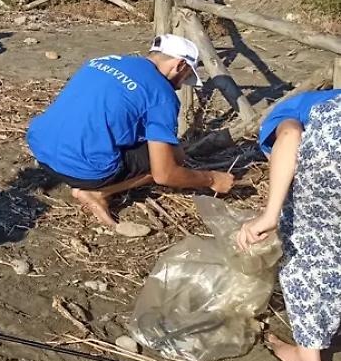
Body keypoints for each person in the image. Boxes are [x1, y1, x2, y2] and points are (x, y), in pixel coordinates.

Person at [26, 34, 233, 229]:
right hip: (83, 170)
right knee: (174, 158)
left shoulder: (105, 60)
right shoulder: (162, 94)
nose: (180, 87)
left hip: (40, 147)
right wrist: (211, 179)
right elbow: (165, 174)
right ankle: (98, 192)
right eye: (185, 76)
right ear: (179, 65)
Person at [236, 89, 341, 361]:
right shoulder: (328, 99)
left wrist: (270, 215)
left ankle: (308, 358)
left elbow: (289, 138)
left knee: (311, 245)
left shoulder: (283, 115)